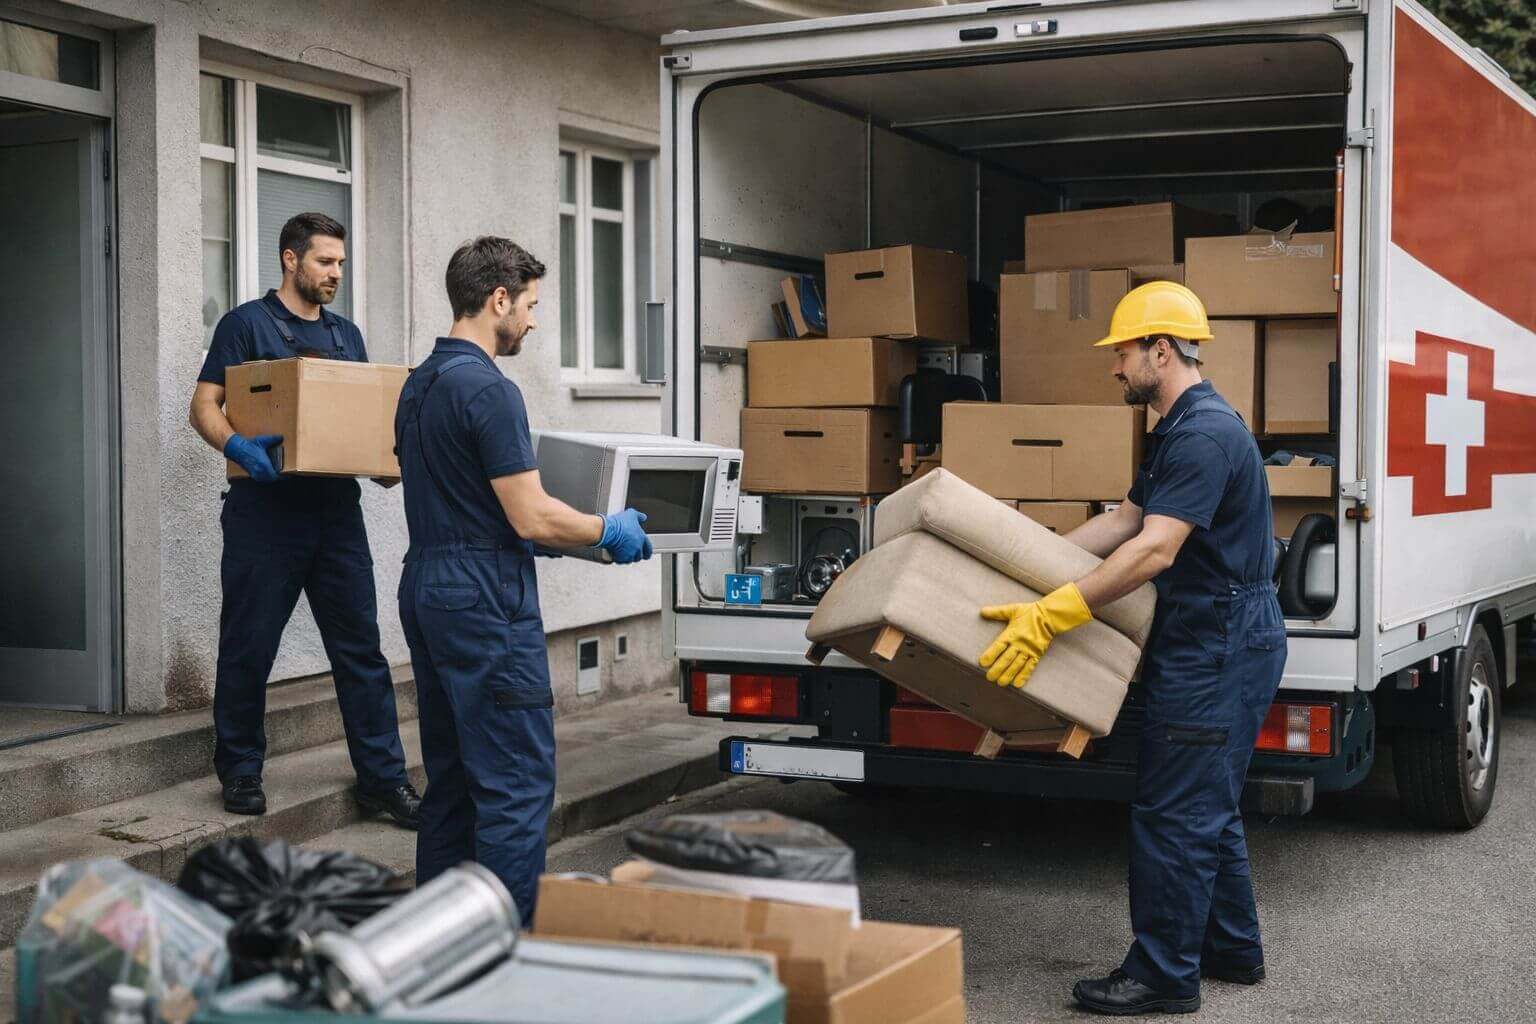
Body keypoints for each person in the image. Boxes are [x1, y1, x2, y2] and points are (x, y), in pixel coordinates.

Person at [975, 281, 1286, 1016]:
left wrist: (1057, 613)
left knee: (1174, 812)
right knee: (1207, 803)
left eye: (1122, 352)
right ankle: (1231, 950)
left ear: (1161, 350)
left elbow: (1154, 549)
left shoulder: (1204, 435)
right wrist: (1037, 565)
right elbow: (1124, 520)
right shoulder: (1179, 428)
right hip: (1217, 633)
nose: (1115, 367)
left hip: (1219, 641)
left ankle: (1163, 975)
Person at [395, 236, 652, 921]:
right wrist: (605, 530)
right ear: (498, 298)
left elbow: (465, 498)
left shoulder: (419, 385)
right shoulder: (490, 390)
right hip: (483, 599)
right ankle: (508, 954)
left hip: (428, 584)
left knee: (452, 785)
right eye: (531, 306)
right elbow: (531, 514)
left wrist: (530, 536)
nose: (533, 322)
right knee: (514, 786)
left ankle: (437, 947)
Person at [189, 212, 421, 827]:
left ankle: (383, 781)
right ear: (291, 259)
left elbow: (364, 421)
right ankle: (241, 770)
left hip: (336, 515)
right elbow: (203, 404)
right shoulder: (246, 324)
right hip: (263, 514)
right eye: (325, 261)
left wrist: (387, 462)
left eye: (340, 262)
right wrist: (236, 445)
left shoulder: (347, 336)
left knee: (361, 652)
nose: (336, 272)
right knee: (248, 646)